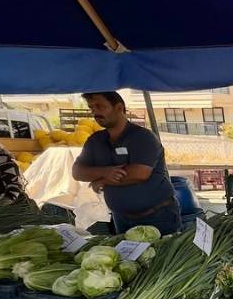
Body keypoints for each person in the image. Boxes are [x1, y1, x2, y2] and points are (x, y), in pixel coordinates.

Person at [72, 91, 181, 235]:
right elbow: (77, 171)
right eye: (92, 108)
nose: (95, 113)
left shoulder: (142, 137)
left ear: (118, 108)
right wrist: (104, 172)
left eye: (100, 106)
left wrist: (104, 181)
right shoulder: (95, 141)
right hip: (121, 218)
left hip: (158, 217)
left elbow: (140, 173)